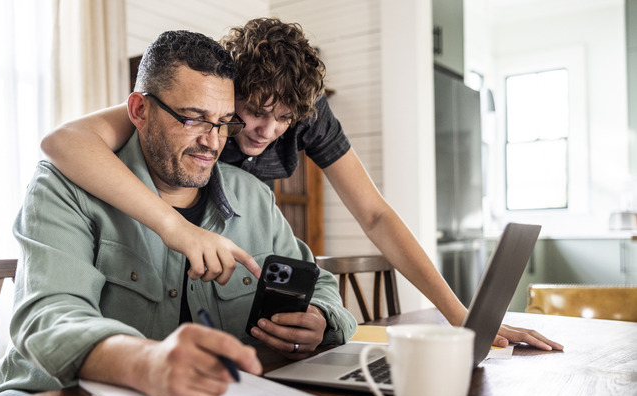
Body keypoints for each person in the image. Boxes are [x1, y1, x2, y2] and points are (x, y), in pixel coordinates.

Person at [40, 18, 563, 352]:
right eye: (249, 113)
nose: (265, 132)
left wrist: (462, 319)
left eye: (284, 119)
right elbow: (65, 142)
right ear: (229, 90)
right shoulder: (191, 114)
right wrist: (175, 228)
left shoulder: (275, 157)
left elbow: (375, 215)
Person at [0, 30, 357, 396]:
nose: (213, 142)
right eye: (193, 119)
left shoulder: (254, 196)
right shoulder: (64, 185)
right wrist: (147, 363)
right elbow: (50, 320)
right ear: (140, 111)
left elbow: (319, 283)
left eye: (224, 122)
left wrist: (321, 319)